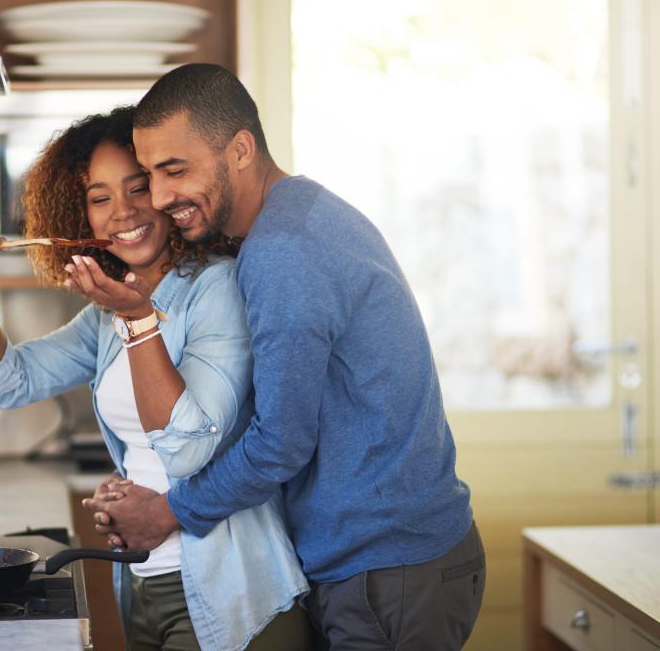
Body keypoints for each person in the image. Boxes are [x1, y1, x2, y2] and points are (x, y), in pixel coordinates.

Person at [84, 65, 486, 650]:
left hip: (385, 570)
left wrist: (170, 511)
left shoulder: (280, 253)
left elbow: (281, 442)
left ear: (240, 149)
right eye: (151, 174)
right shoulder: (301, 214)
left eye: (176, 170)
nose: (162, 196)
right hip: (389, 559)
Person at [0, 105, 309, 651]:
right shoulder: (109, 314)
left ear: (166, 192)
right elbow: (1, 384)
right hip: (142, 583)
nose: (123, 212)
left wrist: (139, 322)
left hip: (233, 591)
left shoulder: (214, 288)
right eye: (99, 198)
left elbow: (185, 448)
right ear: (79, 217)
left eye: (138, 189)